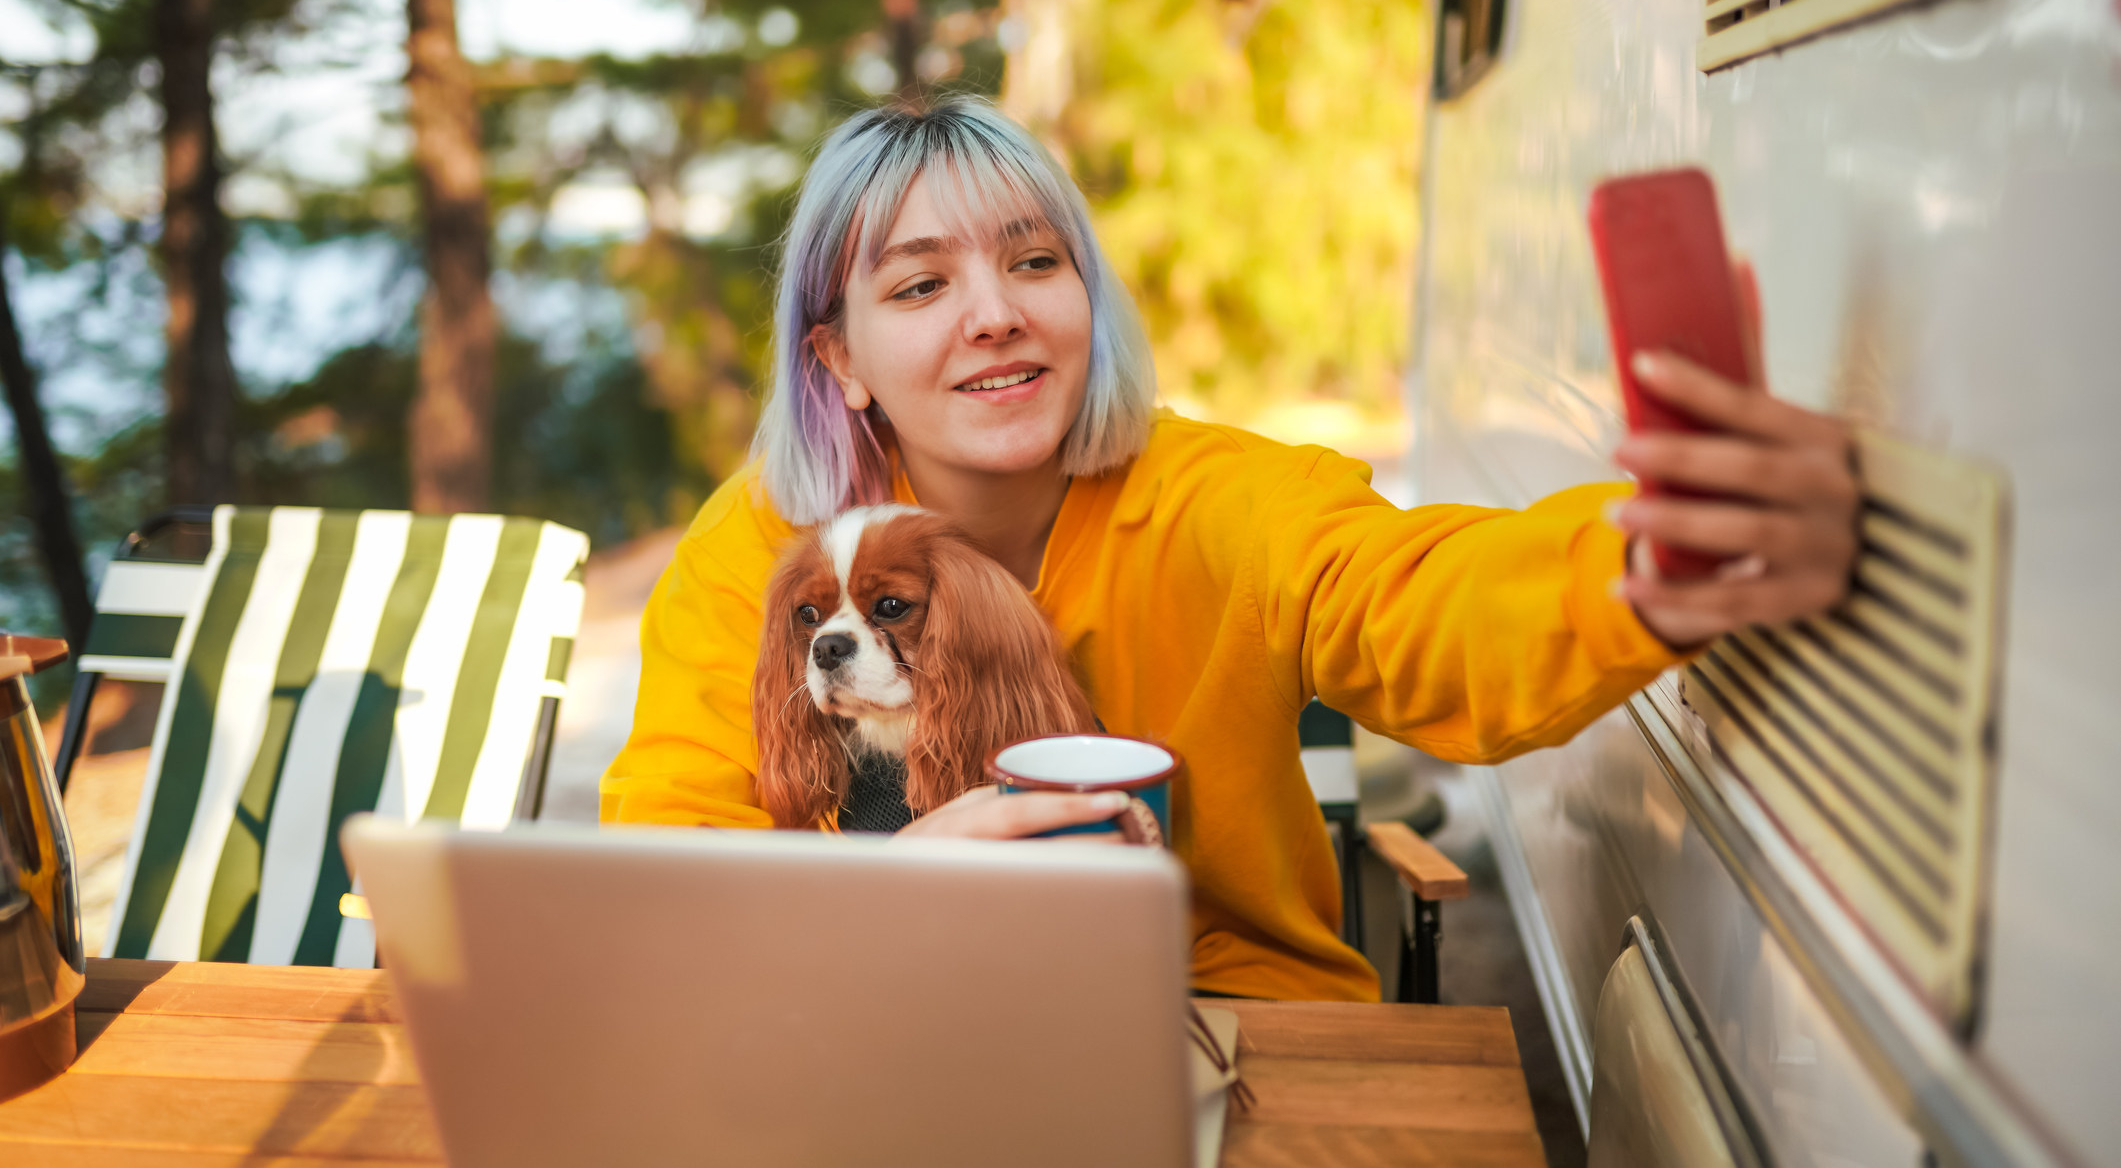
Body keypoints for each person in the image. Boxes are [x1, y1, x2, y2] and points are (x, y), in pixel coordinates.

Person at [600, 96, 1857, 1001]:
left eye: (1037, 261)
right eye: (921, 287)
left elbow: (1429, 606)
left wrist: (1649, 562)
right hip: (870, 1035)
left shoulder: (1217, 501)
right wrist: (890, 893)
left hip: (1229, 1037)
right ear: (839, 359)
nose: (997, 314)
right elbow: (663, 868)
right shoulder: (763, 551)